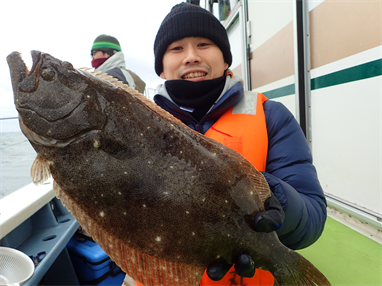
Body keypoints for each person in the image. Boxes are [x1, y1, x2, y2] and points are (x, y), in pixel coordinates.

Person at [147, 2, 327, 286]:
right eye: (176, 48)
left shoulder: (271, 116)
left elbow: (312, 220)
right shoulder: (141, 126)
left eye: (203, 44)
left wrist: (269, 196)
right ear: (161, 67)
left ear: (225, 57)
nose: (191, 57)